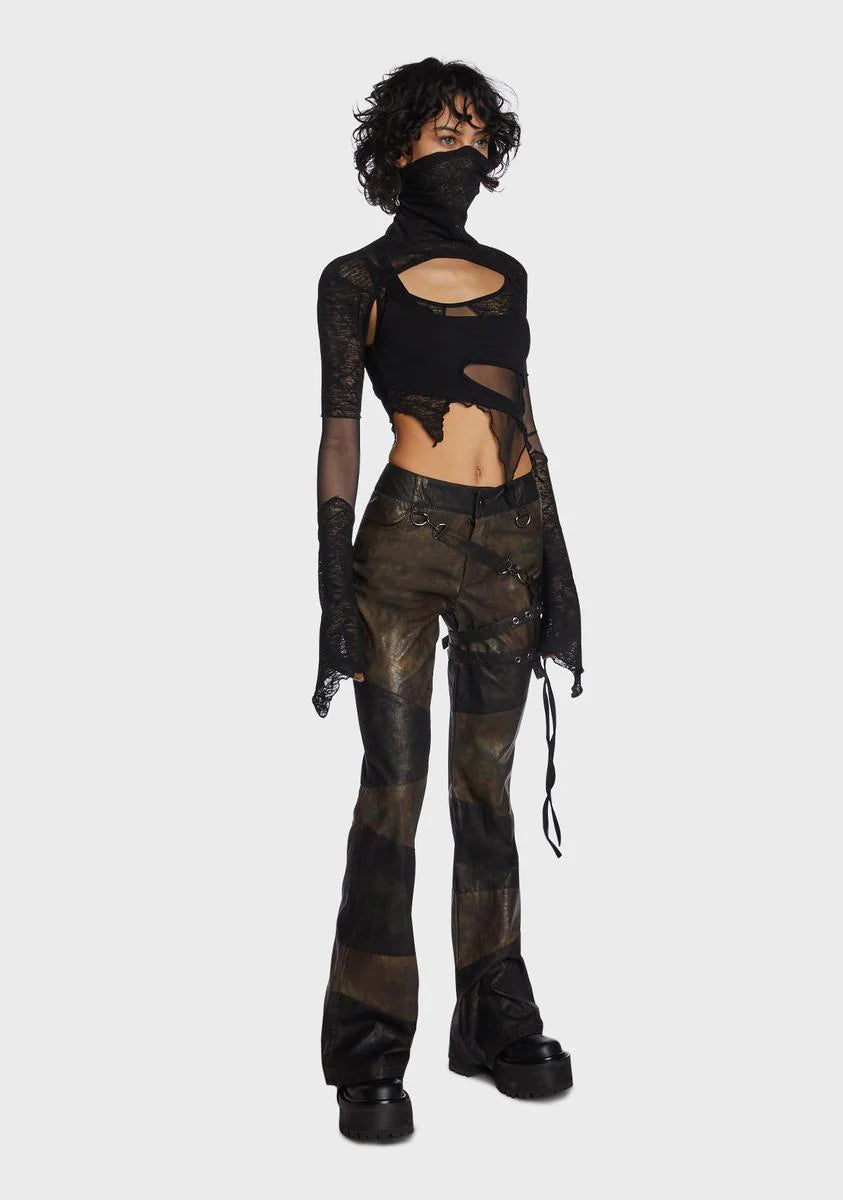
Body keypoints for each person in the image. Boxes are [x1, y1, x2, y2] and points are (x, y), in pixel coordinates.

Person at [312, 57, 584, 1141]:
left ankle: (493, 1015)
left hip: (509, 537)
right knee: (394, 787)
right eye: (441, 133)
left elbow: (525, 420)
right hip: (405, 539)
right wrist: (330, 583)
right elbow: (339, 431)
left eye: (476, 134)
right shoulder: (354, 279)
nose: (462, 151)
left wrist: (559, 566)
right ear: (396, 151)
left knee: (487, 786)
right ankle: (369, 1049)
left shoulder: (510, 275)